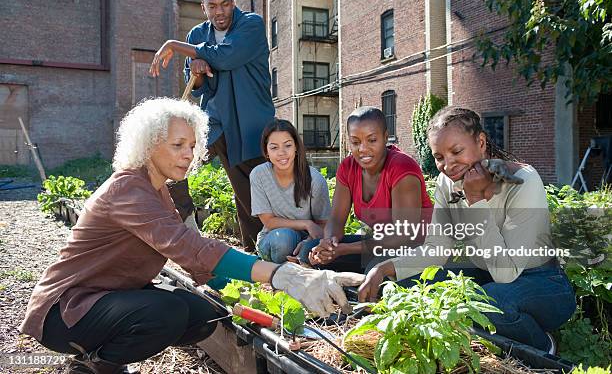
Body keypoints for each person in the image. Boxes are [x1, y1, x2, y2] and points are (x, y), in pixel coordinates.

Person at [20, 98, 363, 374]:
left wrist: (246, 296)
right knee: (165, 313)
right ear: (149, 145)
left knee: (204, 315)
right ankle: (97, 365)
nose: (188, 154)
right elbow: (188, 246)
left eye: (192, 145)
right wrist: (283, 273)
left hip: (108, 296)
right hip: (66, 311)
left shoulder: (158, 190)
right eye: (177, 145)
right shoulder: (128, 189)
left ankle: (104, 352)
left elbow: (199, 263)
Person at [358, 106, 576, 353]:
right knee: (401, 284)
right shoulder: (446, 183)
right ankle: (488, 337)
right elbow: (437, 249)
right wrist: (384, 268)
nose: (448, 165)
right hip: (487, 277)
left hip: (543, 283)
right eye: (439, 157)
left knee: (488, 303)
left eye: (456, 151)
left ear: (481, 142)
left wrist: (474, 200)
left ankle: (542, 346)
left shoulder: (523, 181)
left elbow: (507, 273)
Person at [149, 0, 274, 252]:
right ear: (203, 7)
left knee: (250, 195)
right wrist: (196, 69)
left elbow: (227, 57)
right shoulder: (196, 34)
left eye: (225, 4)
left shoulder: (251, 25)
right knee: (173, 163)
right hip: (213, 122)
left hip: (249, 124)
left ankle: (257, 254)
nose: (220, 12)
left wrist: (175, 45)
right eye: (212, 6)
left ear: (233, 3)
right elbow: (195, 86)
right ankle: (185, 223)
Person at [305, 106, 434, 273]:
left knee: (375, 269)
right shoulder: (348, 167)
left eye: (372, 140)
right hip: (381, 245)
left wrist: (345, 249)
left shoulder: (401, 167)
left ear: (386, 137)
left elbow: (404, 237)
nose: (363, 149)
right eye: (356, 142)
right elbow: (336, 219)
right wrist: (330, 244)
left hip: (418, 249)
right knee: (309, 250)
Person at [250, 118, 331, 264]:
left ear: (296, 147)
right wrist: (306, 224)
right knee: (284, 239)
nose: (281, 153)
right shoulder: (259, 175)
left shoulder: (315, 180)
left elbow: (323, 224)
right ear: (266, 151)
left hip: (309, 239)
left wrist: (308, 243)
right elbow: (268, 221)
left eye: (287, 145)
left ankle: (299, 264)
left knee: (313, 252)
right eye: (274, 147)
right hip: (273, 239)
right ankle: (277, 272)